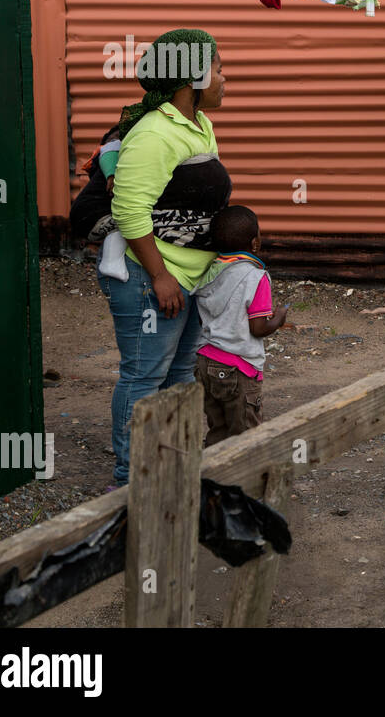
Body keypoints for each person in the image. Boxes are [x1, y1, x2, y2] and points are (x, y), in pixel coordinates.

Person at [99, 28, 231, 485]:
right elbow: (130, 210)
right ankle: (129, 482)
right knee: (143, 377)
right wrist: (159, 276)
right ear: (190, 78)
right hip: (149, 277)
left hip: (190, 278)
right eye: (217, 67)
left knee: (179, 377)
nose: (225, 76)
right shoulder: (155, 132)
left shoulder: (197, 124)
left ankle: (168, 472)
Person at [192, 205, 287, 446]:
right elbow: (258, 328)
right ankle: (244, 481)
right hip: (239, 367)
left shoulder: (208, 270)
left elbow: (203, 318)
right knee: (245, 437)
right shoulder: (255, 277)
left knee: (218, 429)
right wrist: (278, 318)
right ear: (255, 242)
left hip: (204, 362)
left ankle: (211, 477)